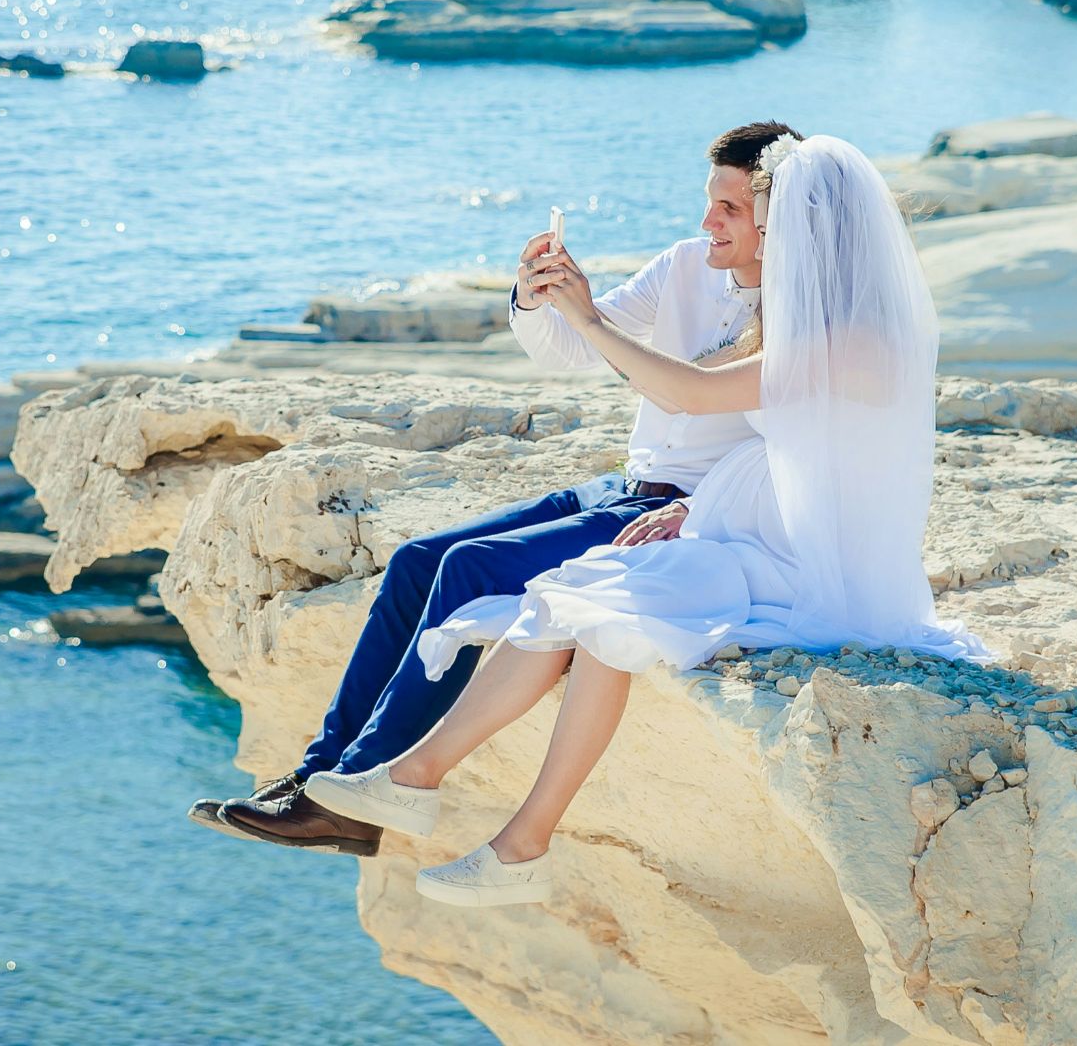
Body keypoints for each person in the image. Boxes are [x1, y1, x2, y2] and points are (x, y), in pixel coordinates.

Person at [303, 134, 996, 905]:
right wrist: (696, 503)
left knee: (598, 599)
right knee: (593, 597)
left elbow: (697, 398)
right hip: (753, 517)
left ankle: (437, 791)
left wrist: (592, 320)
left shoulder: (857, 341)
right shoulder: (803, 319)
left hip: (815, 555)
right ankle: (478, 820)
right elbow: (791, 442)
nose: (736, 228)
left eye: (751, 214)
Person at [187, 121, 804, 856]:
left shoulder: (808, 315)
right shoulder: (682, 267)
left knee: (467, 569)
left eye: (730, 210)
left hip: (687, 511)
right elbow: (572, 348)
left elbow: (801, 452)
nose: (709, 222)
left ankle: (363, 791)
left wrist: (694, 508)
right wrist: (537, 295)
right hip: (624, 484)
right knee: (418, 558)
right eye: (710, 203)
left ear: (776, 219)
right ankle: (321, 777)